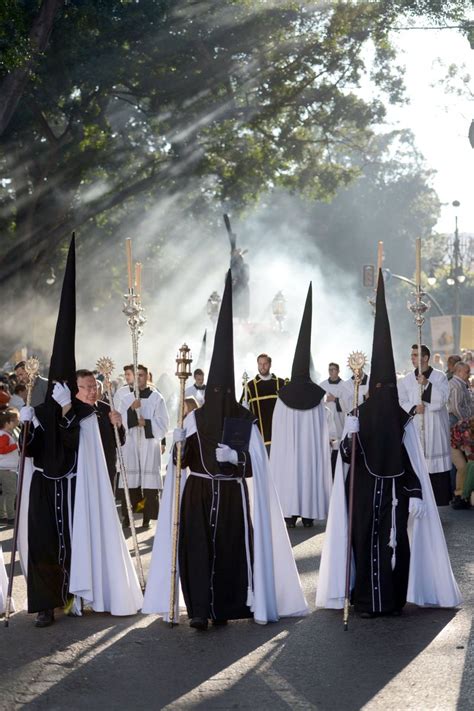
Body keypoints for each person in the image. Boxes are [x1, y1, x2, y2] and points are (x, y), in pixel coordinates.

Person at [143, 271, 308, 629]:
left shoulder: (242, 418)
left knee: (231, 552)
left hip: (232, 496)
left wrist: (238, 459)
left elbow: (257, 467)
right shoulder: (194, 418)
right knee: (197, 551)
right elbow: (180, 464)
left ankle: (226, 608)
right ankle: (200, 610)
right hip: (198, 492)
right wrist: (177, 444)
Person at [317, 270, 461, 617]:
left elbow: (410, 458)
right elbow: (349, 458)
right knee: (365, 544)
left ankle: (392, 600)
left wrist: (414, 494)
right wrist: (349, 433)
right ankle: (364, 598)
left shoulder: (400, 418)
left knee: (395, 547)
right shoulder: (360, 414)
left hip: (395, 497)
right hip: (364, 497)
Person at [19, 236, 143, 628]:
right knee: (43, 545)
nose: (91, 392)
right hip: (44, 485)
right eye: (84, 387)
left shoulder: (94, 411)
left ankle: (74, 595)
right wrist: (28, 423)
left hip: (76, 487)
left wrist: (119, 424)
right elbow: (31, 450)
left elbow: (104, 446)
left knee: (74, 544)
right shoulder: (41, 410)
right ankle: (43, 604)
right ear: (71, 385)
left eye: (92, 387)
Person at [270, 284, 332, 528]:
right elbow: (322, 429)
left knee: (288, 470)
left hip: (287, 451)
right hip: (309, 451)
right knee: (308, 470)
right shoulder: (317, 396)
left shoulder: (282, 396)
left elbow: (277, 428)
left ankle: (288, 512)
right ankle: (308, 512)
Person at [398, 344, 452, 506]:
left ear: (426, 358)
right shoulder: (406, 379)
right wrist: (414, 408)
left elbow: (442, 399)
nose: (412, 358)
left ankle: (437, 505)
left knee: (434, 468)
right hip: (416, 426)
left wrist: (427, 384)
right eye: (412, 355)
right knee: (416, 465)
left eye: (416, 355)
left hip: (435, 428)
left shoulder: (439, 376)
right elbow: (401, 400)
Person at [118, 364, 169, 530]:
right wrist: (132, 410)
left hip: (149, 444)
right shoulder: (126, 398)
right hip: (131, 444)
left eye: (141, 375)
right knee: (132, 483)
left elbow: (163, 424)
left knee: (147, 484)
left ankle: (146, 515)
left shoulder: (156, 398)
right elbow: (120, 422)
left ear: (147, 377)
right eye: (136, 375)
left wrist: (146, 423)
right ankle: (129, 516)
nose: (138, 378)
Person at [75, 369, 125, 490]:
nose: (93, 391)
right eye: (88, 388)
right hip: (81, 473)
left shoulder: (107, 409)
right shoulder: (70, 412)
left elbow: (120, 441)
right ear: (76, 388)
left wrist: (118, 425)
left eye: (95, 387)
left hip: (105, 470)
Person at [240, 354, 286, 454]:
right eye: (260, 364)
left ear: (270, 364)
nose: (262, 366)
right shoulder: (250, 387)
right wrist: (244, 409)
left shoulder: (281, 384)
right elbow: (241, 411)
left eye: (265, 364)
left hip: (280, 437)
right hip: (259, 438)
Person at [320, 362, 347, 472]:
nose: (331, 371)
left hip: (339, 422)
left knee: (338, 453)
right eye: (329, 369)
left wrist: (335, 400)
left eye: (333, 369)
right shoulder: (322, 385)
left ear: (338, 371)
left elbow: (348, 404)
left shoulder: (345, 386)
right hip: (326, 424)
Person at [0, 408, 19, 525]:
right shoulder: (4, 436)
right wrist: (15, 446)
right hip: (7, 469)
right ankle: (11, 516)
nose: (17, 423)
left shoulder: (6, 435)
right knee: (10, 493)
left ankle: (3, 514)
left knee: (5, 493)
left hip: (6, 469)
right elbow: (1, 450)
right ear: (8, 423)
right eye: (15, 421)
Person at [448, 362, 472, 426]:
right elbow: (455, 407)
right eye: (467, 372)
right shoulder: (456, 386)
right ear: (459, 372)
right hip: (457, 421)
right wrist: (465, 420)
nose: (469, 374)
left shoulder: (460, 384)